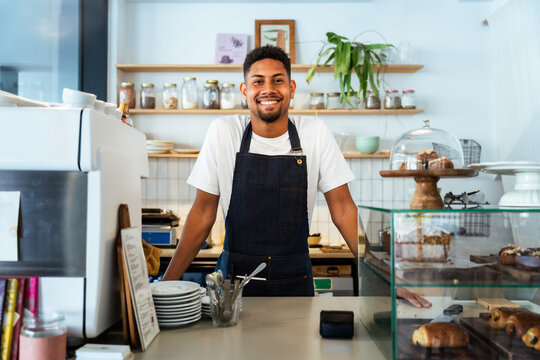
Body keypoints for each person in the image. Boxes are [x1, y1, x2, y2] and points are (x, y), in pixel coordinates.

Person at [162, 45, 430, 305]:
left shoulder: (314, 132)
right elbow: (202, 213)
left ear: (291, 89)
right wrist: (165, 286)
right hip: (234, 286)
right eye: (258, 82)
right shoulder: (224, 131)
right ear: (245, 91)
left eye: (277, 81)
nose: (268, 89)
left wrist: (387, 276)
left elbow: (343, 208)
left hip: (294, 283)